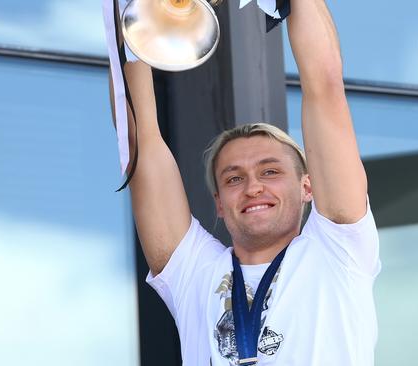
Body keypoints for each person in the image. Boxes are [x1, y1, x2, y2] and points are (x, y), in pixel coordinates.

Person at [117, 0, 381, 364]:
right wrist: (134, 16)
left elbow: (325, 85)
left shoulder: (338, 250)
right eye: (234, 178)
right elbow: (140, 143)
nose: (253, 187)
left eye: (271, 171)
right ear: (220, 204)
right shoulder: (195, 275)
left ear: (308, 187)